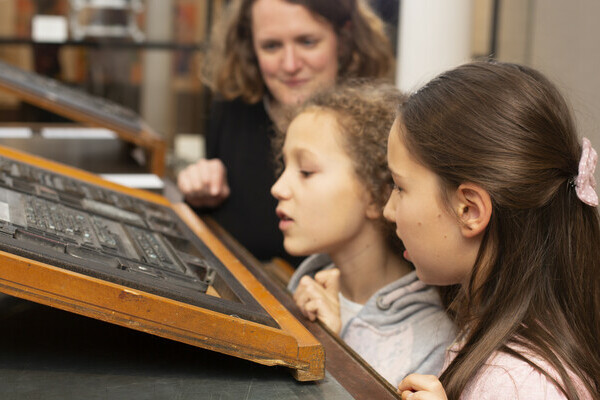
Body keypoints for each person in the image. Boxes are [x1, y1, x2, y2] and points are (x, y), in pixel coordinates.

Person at [383, 61, 599, 399]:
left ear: (469, 209)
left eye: (399, 188)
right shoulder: (486, 330)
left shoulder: (522, 385)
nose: (388, 210)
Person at [177, 0, 394, 265]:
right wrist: (201, 194)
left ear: (344, 38)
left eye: (307, 42)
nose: (290, 65)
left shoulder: (382, 130)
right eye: (271, 46)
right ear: (250, 47)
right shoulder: (230, 109)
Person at [271, 81, 456, 386]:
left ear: (376, 195)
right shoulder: (305, 285)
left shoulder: (432, 342)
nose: (277, 188)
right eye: (283, 166)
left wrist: (332, 347)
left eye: (306, 171)